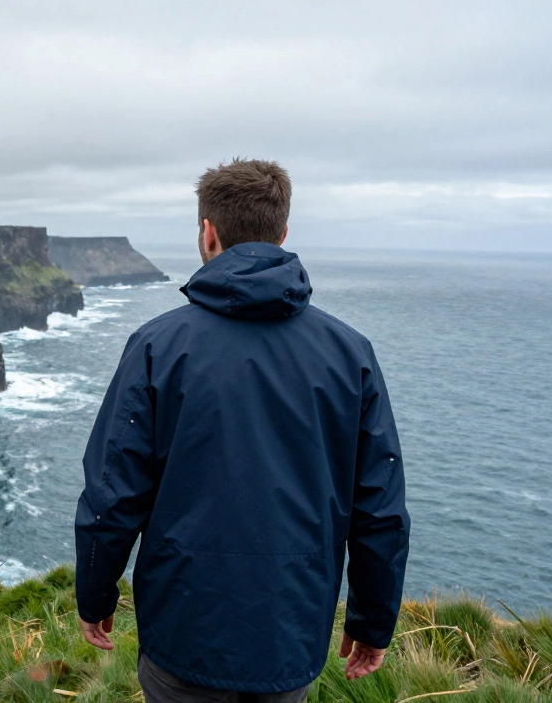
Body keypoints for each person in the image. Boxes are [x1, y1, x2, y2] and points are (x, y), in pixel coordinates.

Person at [74, 159, 410, 702]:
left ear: (207, 232)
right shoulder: (351, 354)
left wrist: (95, 595)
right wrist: (373, 621)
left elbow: (113, 496)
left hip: (183, 630)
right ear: (282, 234)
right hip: (290, 628)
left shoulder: (157, 347)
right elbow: (380, 507)